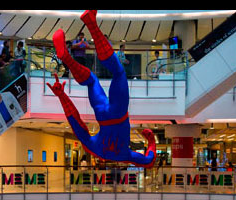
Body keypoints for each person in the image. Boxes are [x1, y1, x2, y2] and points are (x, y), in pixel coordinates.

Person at [47, 10, 156, 168]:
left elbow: (149, 162)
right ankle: (67, 59)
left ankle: (92, 24)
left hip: (118, 113)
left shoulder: (125, 155)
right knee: (91, 81)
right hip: (102, 116)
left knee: (118, 72)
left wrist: (151, 140)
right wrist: (61, 96)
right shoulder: (96, 151)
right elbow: (77, 124)